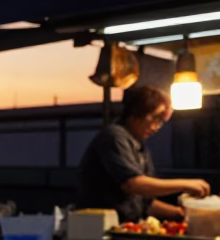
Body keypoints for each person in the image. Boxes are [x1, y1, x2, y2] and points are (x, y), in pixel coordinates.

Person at [77, 86, 210, 222]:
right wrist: (185, 184)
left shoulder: (139, 145)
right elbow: (133, 184)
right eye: (155, 118)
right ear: (136, 113)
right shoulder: (114, 136)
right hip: (98, 227)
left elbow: (145, 204)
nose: (157, 127)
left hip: (125, 227)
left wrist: (182, 213)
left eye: (161, 121)